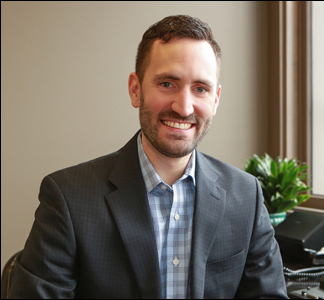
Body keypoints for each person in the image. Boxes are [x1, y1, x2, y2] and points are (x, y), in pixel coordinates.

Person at [9, 15, 288, 299]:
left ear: (215, 100)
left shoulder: (246, 196)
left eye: (200, 89)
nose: (183, 107)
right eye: (167, 83)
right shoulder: (68, 197)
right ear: (136, 89)